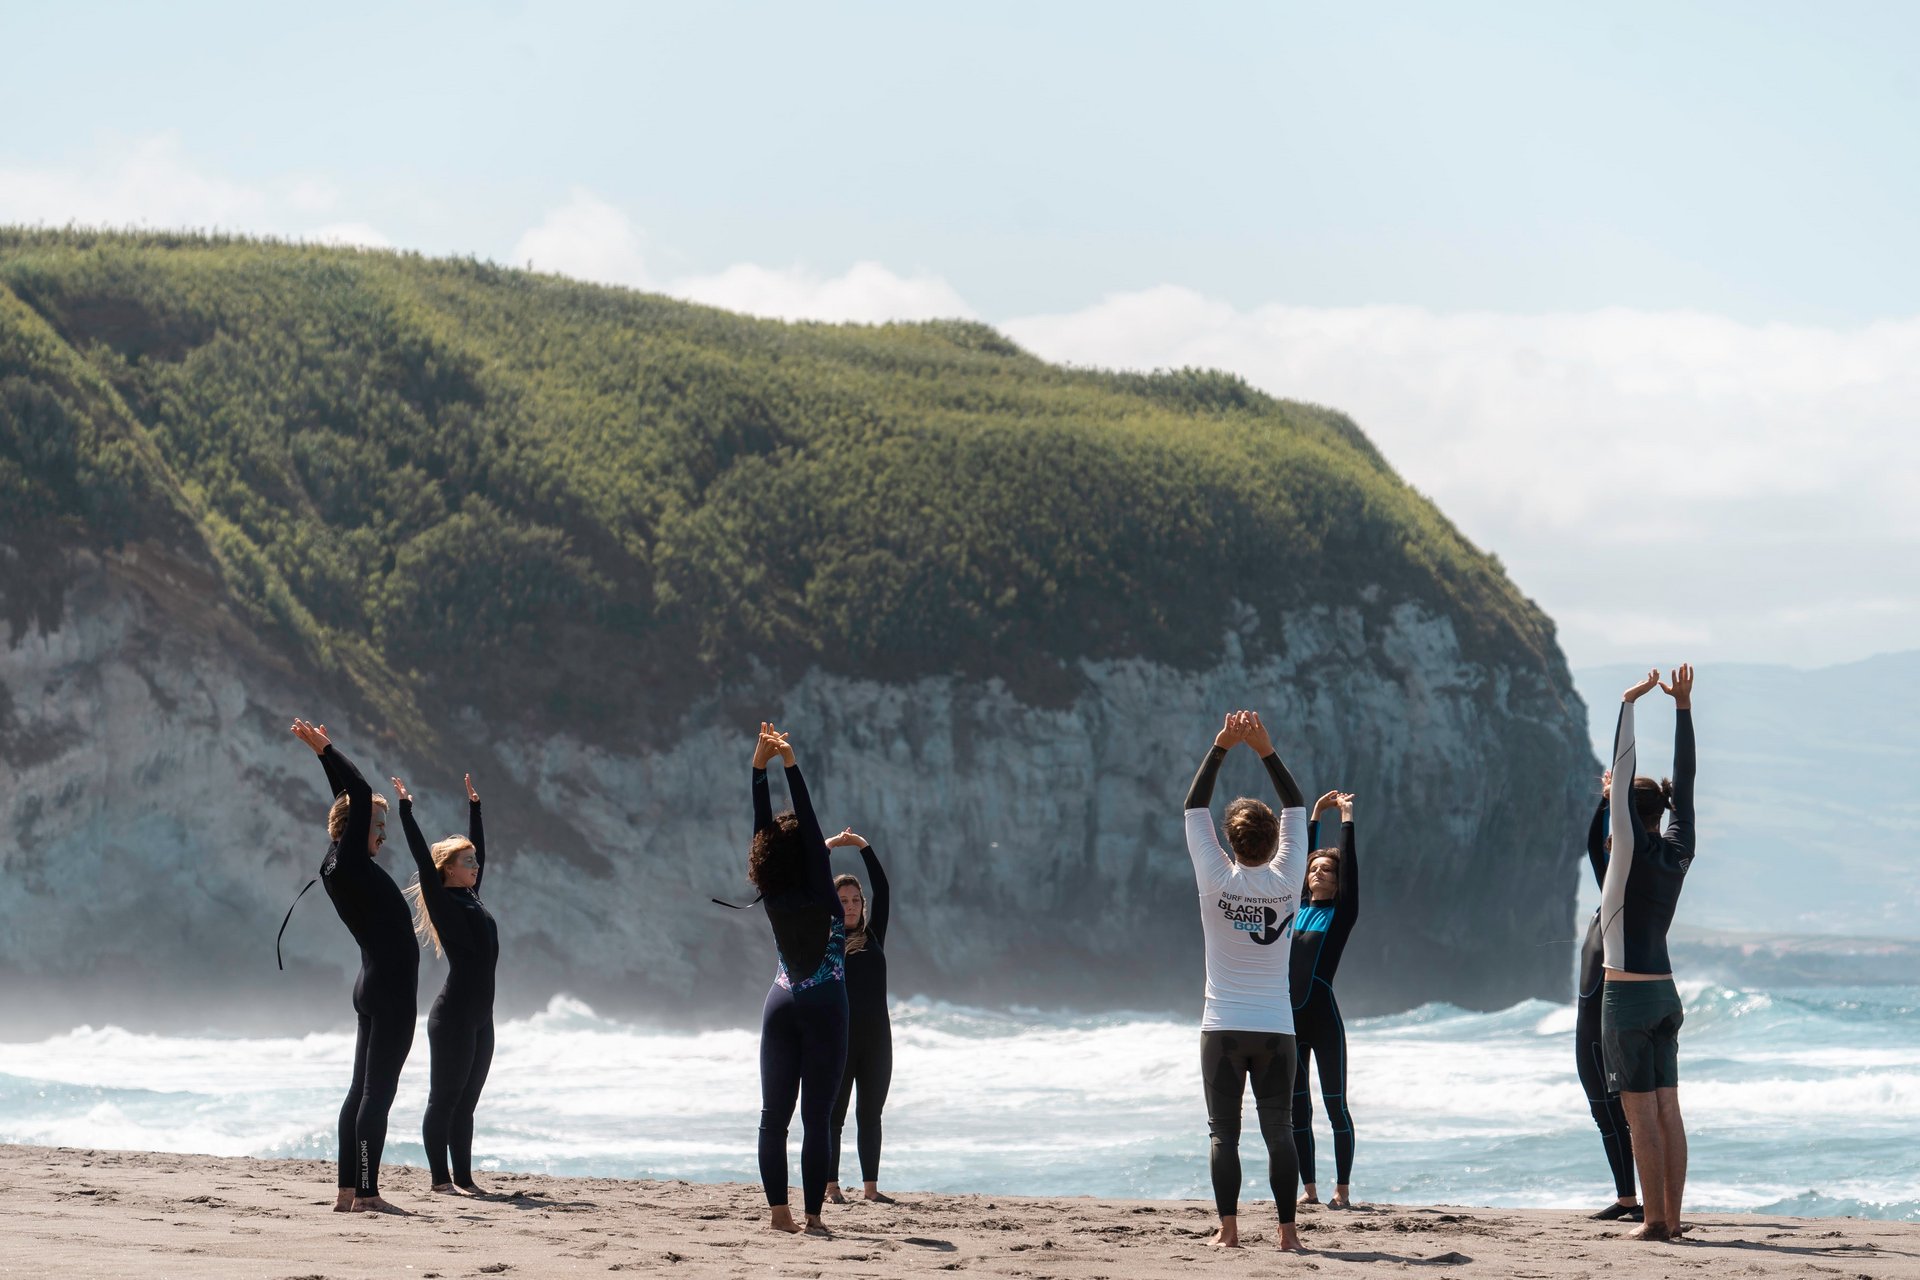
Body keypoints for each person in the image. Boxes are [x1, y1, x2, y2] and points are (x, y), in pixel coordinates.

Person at [1184, 709, 1309, 1252]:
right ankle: (1288, 1237)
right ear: (1272, 841)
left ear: (1231, 842)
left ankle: (1229, 1233)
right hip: (1276, 1028)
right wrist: (1264, 749)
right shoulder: (1287, 878)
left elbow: (1194, 808)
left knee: (1224, 1135)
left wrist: (1220, 746)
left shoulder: (1215, 877)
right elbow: (1297, 806)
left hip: (1223, 1027)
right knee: (1278, 1131)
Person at [289, 718, 416, 1214]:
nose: (383, 837)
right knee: (377, 1094)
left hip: (371, 985)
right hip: (390, 990)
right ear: (358, 828)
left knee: (359, 1091)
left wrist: (324, 760)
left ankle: (348, 1191)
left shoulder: (336, 861)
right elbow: (359, 791)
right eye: (378, 828)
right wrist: (329, 748)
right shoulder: (354, 865)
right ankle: (368, 1193)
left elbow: (347, 800)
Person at [1601, 664, 1696, 1241]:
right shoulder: (1678, 849)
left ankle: (1655, 1221)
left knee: (1641, 1117)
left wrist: (1629, 705)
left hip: (1627, 1000)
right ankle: (1675, 1218)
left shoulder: (1625, 851)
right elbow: (1684, 784)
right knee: (1668, 1108)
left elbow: (1625, 766)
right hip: (1665, 994)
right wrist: (1682, 709)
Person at [749, 722, 849, 1236]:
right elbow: (809, 827)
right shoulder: (826, 896)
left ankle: (778, 1215)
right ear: (813, 856)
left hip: (781, 1000)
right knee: (816, 1118)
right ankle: (813, 1218)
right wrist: (790, 764)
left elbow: (765, 830)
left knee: (774, 1117)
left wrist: (758, 769)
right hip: (825, 1002)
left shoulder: (770, 890)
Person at [395, 772, 498, 1197]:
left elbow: (483, 857)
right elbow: (422, 859)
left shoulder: (472, 896)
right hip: (453, 1017)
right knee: (445, 1099)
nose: (475, 867)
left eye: (475, 862)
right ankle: (440, 1181)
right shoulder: (446, 901)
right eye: (467, 862)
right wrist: (406, 811)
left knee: (467, 1103)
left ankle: (465, 1179)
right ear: (448, 870)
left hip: (480, 1018)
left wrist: (475, 809)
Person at [1291, 789, 1358, 1210]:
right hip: (1290, 1020)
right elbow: (1300, 860)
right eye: (1314, 869)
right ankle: (1310, 1190)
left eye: (1326, 870)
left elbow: (1351, 871)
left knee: (1335, 1107)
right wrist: (1313, 816)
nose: (1317, 873)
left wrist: (1346, 819)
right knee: (1299, 1109)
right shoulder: (1293, 909)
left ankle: (1343, 1190)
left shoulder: (1342, 913)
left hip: (1324, 1020)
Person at [1578, 778, 1640, 1221]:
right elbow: (1592, 847)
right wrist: (1606, 800)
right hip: (1587, 1025)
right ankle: (1627, 1199)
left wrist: (1616, 805)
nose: (1606, 848)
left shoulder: (1624, 899)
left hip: (1606, 1024)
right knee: (1605, 1114)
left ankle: (1643, 1200)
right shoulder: (1606, 899)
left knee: (1623, 1114)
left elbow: (1602, 850)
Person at [823, 828, 894, 1206]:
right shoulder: (827, 938)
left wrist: (864, 846)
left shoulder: (874, 937)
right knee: (835, 1115)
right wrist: (829, 847)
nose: (850, 905)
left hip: (878, 1040)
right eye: (843, 900)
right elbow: (809, 886)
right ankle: (831, 1185)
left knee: (871, 1113)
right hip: (841, 1038)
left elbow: (883, 889)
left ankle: (870, 1188)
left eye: (855, 900)